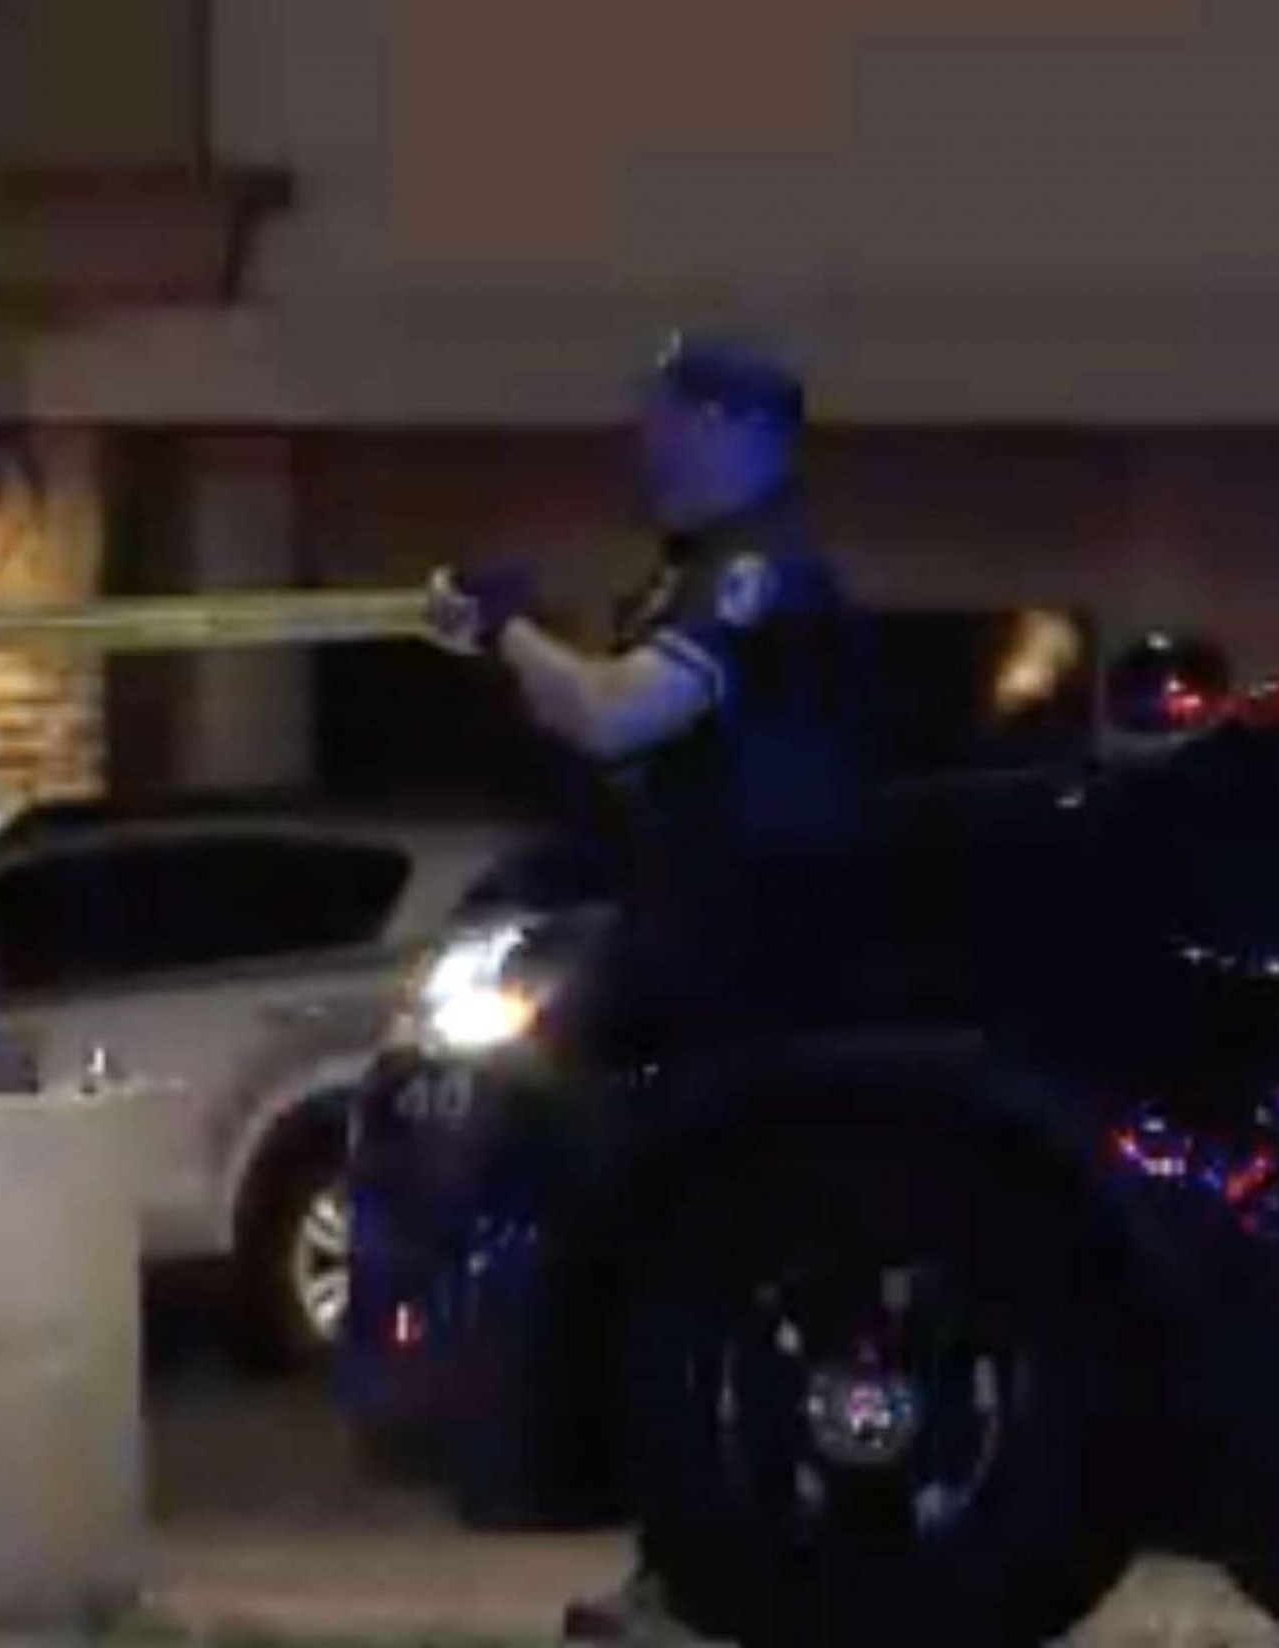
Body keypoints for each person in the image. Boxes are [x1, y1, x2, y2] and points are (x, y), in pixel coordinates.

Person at [421, 332, 868, 1648]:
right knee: (682, 1283)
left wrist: (511, 633)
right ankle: (701, 1572)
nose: (647, 445)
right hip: (705, 973)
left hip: (746, 984)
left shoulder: (756, 578)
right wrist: (502, 646)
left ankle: (726, 1579)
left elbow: (615, 715)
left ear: (741, 429)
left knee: (711, 1283)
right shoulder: (701, 575)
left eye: (671, 422)